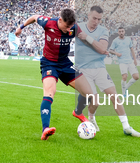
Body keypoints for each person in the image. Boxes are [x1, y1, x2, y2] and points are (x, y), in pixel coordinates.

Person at [15, 8, 94, 141]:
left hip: (66, 63)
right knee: (50, 92)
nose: (69, 29)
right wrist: (20, 27)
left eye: (71, 26)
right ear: (60, 20)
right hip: (49, 63)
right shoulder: (48, 23)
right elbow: (34, 17)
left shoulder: (74, 28)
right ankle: (45, 128)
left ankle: (77, 112)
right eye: (66, 26)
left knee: (89, 93)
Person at [74, 7, 140, 137]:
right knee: (96, 102)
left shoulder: (103, 30)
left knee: (114, 96)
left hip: (99, 68)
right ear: (88, 15)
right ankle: (91, 118)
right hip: (82, 70)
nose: (96, 21)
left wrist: (87, 37)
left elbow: (103, 48)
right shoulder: (78, 27)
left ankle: (126, 127)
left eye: (99, 19)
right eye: (94, 18)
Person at [109, 26, 140, 98]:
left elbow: (132, 49)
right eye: (120, 31)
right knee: (125, 77)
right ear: (118, 32)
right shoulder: (115, 41)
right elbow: (110, 50)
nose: (121, 33)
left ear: (124, 32)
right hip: (122, 62)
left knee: (136, 77)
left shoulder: (128, 39)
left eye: (122, 31)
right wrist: (116, 53)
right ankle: (124, 93)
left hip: (130, 61)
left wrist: (135, 60)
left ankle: (125, 87)